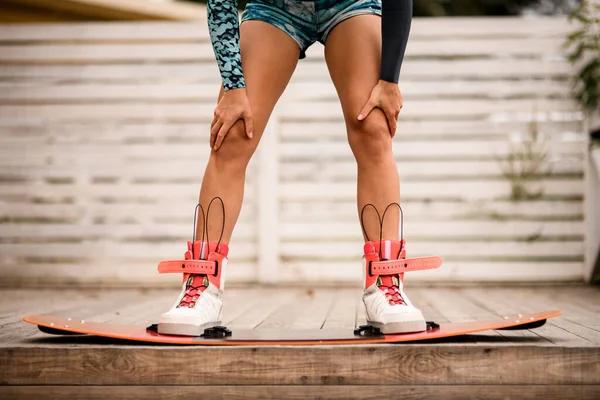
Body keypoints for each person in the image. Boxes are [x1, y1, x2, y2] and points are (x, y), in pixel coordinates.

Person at [157, 0, 426, 336]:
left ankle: (387, 283)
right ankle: (201, 285)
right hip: (274, 7)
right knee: (234, 132)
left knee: (373, 125)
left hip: (350, 4)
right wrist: (233, 85)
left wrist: (389, 79)